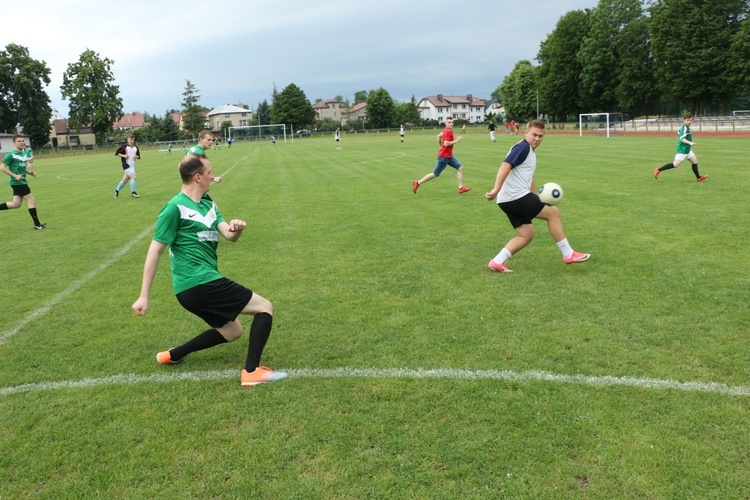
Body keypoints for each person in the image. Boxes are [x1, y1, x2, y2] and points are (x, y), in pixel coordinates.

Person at [132, 153, 287, 387]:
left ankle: (172, 355)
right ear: (197, 177)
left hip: (193, 290)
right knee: (264, 307)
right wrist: (144, 295)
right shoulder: (174, 208)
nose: (213, 176)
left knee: (232, 331)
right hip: (200, 283)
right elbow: (155, 251)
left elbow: (228, 235)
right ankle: (252, 372)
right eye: (209, 172)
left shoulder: (208, 204)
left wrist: (237, 228)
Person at [484, 119, 590, 273]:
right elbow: (505, 166)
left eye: (541, 136)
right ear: (526, 132)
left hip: (507, 200)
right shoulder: (522, 148)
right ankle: (568, 254)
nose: (537, 138)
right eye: (534, 134)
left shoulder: (530, 152)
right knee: (553, 212)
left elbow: (530, 177)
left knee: (526, 235)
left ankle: (496, 261)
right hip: (516, 197)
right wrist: (495, 189)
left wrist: (535, 197)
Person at [413, 117, 471, 194]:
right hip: (443, 158)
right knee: (435, 174)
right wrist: (456, 140)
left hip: (449, 156)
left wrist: (440, 146)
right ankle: (417, 183)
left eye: (452, 122)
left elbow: (438, 136)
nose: (451, 124)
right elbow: (446, 143)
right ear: (446, 123)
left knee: (460, 168)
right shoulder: (447, 131)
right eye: (449, 122)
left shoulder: (447, 130)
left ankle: (461, 188)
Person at [0, 135, 45, 229]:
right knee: (31, 200)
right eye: (19, 141)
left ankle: (37, 225)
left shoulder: (23, 154)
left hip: (21, 182)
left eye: (22, 141)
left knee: (16, 204)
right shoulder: (11, 154)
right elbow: (2, 167)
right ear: (14, 143)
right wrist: (15, 176)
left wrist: (30, 173)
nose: (22, 142)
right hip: (17, 183)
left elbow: (21, 168)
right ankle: (37, 225)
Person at [654, 113, 708, 182]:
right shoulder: (684, 128)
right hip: (682, 150)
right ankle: (658, 170)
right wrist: (690, 143)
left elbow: (679, 132)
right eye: (687, 120)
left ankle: (698, 177)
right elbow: (682, 139)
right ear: (684, 120)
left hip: (687, 149)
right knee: (675, 164)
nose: (689, 122)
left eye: (690, 120)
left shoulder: (685, 127)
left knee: (694, 161)